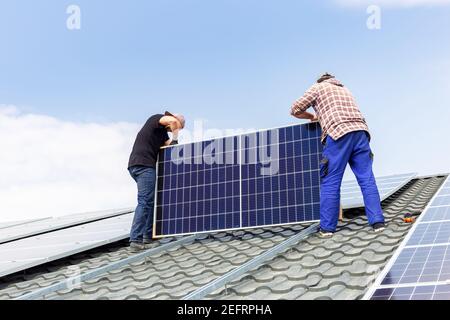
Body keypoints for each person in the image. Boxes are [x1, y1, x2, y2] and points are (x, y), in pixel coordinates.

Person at [290, 73, 385, 238]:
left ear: (320, 80)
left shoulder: (317, 87)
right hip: (361, 132)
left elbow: (295, 109)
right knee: (367, 178)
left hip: (338, 133)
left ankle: (327, 228)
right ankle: (377, 222)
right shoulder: (345, 89)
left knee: (330, 180)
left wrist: (312, 116)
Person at [127, 111, 185, 251]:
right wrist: (176, 136)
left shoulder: (161, 133)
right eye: (174, 128)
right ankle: (135, 239)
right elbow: (174, 123)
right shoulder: (157, 118)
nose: (173, 130)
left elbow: (167, 145)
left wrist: (175, 144)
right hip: (144, 166)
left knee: (150, 202)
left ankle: (147, 237)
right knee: (145, 201)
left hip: (137, 166)